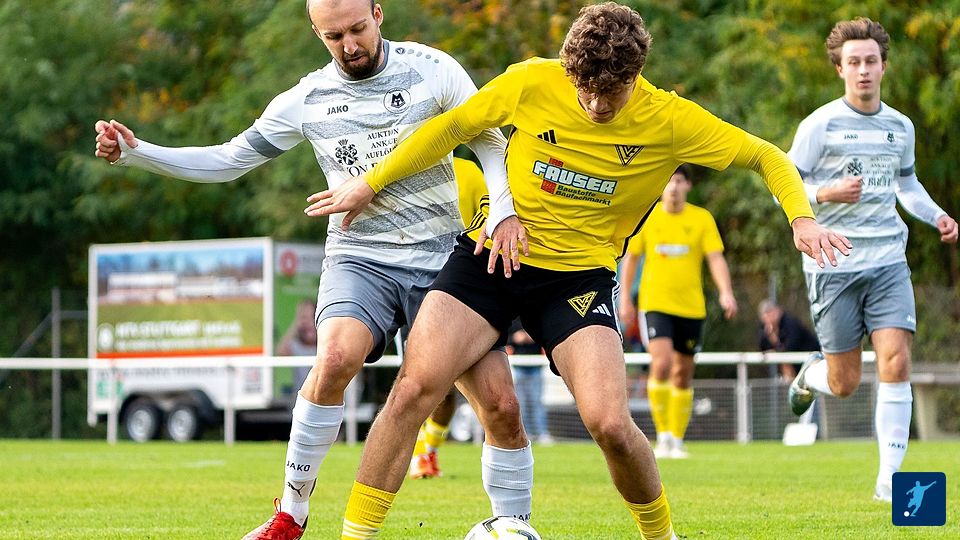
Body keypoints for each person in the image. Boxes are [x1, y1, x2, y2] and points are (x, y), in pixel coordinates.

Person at [306, 3, 851, 537]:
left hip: (576, 278)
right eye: (584, 88)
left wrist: (801, 219)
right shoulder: (531, 81)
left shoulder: (671, 120)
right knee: (413, 390)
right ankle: (357, 536)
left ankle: (661, 537)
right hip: (491, 258)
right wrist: (370, 182)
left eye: (610, 92)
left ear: (636, 75)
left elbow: (766, 156)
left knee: (610, 424)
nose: (594, 104)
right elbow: (449, 129)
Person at [93, 1, 535, 538]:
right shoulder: (306, 98)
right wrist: (139, 153)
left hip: (445, 258)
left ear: (378, 13)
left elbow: (488, 138)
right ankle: (291, 512)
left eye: (357, 29)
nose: (349, 45)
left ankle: (513, 524)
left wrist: (503, 210)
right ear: (316, 32)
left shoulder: (433, 68)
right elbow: (230, 159)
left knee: (501, 404)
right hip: (360, 257)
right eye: (333, 36)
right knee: (335, 359)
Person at [785, 17, 958, 503]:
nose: (863, 70)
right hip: (833, 265)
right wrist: (826, 192)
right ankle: (809, 376)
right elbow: (784, 185)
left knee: (896, 361)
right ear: (840, 69)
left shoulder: (900, 126)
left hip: (887, 261)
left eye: (871, 61)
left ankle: (889, 481)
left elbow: (907, 183)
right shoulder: (819, 125)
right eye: (854, 62)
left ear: (883, 66)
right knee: (843, 383)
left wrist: (938, 216)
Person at [618, 164, 738, 460]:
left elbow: (715, 258)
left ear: (688, 186)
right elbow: (631, 259)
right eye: (669, 181)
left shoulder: (701, 218)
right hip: (655, 304)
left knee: (683, 373)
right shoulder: (648, 216)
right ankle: (662, 437)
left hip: (691, 307)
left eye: (679, 181)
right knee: (661, 364)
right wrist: (625, 299)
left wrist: (725, 292)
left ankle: (677, 438)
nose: (673, 187)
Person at [507, 320, 553, 445]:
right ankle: (526, 433)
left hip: (535, 364)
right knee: (521, 402)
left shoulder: (536, 316)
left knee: (536, 401)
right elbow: (505, 338)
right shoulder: (513, 319)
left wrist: (531, 337)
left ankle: (542, 433)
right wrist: (515, 338)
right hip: (518, 364)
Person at [756, 298, 820, 381]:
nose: (767, 318)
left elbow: (791, 346)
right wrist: (770, 335)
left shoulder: (790, 323)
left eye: (769, 313)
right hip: (793, 364)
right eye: (764, 315)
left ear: (777, 311)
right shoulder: (764, 327)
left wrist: (776, 347)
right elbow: (763, 348)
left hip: (810, 359)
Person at [278, 299, 320, 392]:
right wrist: (296, 323)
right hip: (301, 397)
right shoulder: (297, 346)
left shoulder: (324, 345)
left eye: (312, 317)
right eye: (304, 317)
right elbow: (281, 351)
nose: (308, 322)